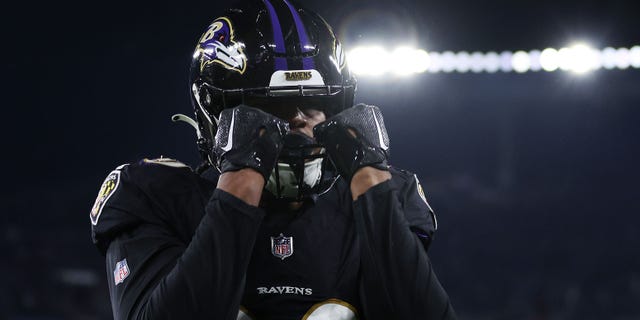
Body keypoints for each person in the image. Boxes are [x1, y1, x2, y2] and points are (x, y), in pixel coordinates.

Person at [89, 0, 456, 319]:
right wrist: (240, 182)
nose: (298, 120)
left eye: (317, 104)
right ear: (214, 112)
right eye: (270, 106)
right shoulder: (158, 196)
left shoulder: (382, 195)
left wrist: (372, 184)